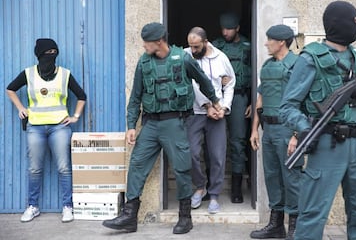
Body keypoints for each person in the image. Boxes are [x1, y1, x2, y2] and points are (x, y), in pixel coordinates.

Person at [102, 22, 221, 234]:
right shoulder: (144, 62)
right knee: (137, 163)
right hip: (150, 124)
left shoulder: (183, 58)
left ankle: (185, 217)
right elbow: (135, 96)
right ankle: (130, 215)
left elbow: (203, 81)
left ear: (158, 41)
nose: (143, 46)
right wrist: (131, 125)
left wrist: (215, 101)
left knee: (182, 168)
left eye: (146, 42)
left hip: (175, 122)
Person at [279, 1, 356, 239]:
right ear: (339, 24)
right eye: (355, 22)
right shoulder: (309, 59)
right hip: (327, 142)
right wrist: (306, 129)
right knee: (314, 212)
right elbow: (287, 107)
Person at [6, 38, 87, 223]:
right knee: (34, 169)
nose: (50, 56)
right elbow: (10, 89)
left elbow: (81, 96)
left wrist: (75, 116)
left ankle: (67, 207)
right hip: (35, 127)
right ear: (39, 55)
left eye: (53, 52)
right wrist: (20, 108)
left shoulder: (65, 74)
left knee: (64, 168)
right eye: (46, 53)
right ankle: (32, 206)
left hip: (60, 126)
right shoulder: (28, 74)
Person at [249, 25, 302, 240]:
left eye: (269, 40)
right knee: (272, 176)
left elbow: (304, 102)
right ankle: (276, 224)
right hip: (268, 129)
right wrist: (254, 129)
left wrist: (297, 135)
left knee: (292, 176)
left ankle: (296, 226)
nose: (265, 43)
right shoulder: (267, 66)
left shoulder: (298, 65)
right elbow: (260, 100)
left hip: (288, 129)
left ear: (281, 42)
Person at [184, 26, 235, 214]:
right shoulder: (185, 56)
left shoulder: (221, 58)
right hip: (195, 112)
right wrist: (207, 106)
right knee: (191, 152)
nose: (193, 50)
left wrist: (224, 107)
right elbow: (191, 85)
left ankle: (214, 195)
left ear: (205, 43)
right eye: (191, 46)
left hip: (218, 113)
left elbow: (230, 83)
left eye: (196, 47)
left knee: (217, 156)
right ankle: (200, 187)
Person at [212, 12, 252, 203]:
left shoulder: (247, 46)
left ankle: (236, 187)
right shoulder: (214, 47)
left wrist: (252, 101)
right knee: (212, 143)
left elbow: (254, 74)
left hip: (239, 98)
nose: (226, 32)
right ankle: (210, 186)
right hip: (217, 99)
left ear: (237, 28)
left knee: (237, 142)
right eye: (223, 29)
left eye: (229, 29)